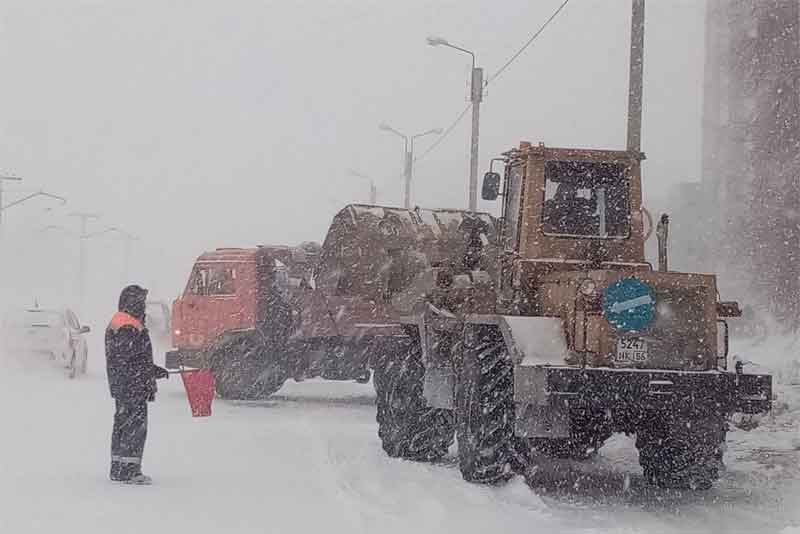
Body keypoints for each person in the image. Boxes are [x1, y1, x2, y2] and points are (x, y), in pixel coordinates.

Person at [106, 284, 169, 485]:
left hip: (125, 386)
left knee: (123, 426)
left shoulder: (123, 321)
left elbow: (132, 358)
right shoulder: (128, 325)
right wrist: (149, 371)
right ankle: (130, 471)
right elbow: (130, 360)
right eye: (141, 302)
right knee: (134, 427)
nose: (144, 307)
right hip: (132, 387)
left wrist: (152, 369)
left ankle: (119, 468)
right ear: (134, 303)